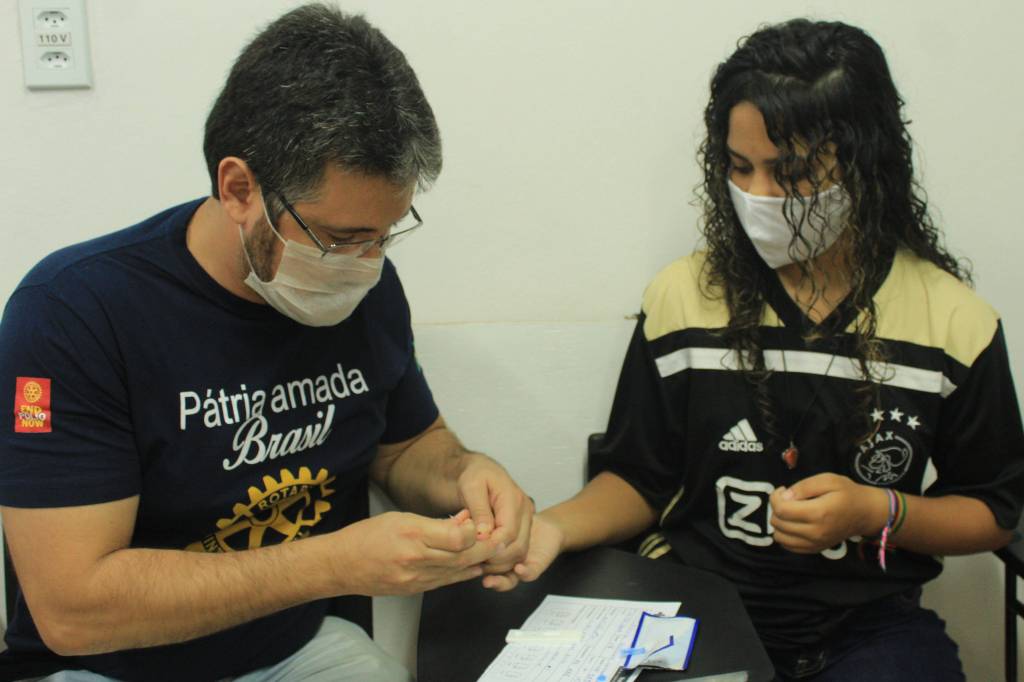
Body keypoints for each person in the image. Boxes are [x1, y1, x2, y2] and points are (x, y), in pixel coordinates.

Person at [0, 5, 532, 681]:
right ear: (239, 189)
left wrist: (466, 476)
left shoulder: (367, 289)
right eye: (339, 239)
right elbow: (72, 610)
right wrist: (332, 564)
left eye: (384, 235)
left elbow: (406, 447)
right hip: (109, 667)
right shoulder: (74, 314)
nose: (366, 263)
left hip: (295, 649)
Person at [484, 18, 1024, 681]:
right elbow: (639, 478)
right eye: (740, 168)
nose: (758, 196)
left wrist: (877, 511)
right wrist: (551, 529)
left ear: (864, 163)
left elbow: (993, 512)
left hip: (866, 627)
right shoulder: (684, 297)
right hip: (699, 607)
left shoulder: (954, 323)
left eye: (791, 172)